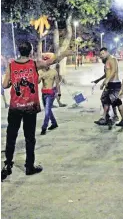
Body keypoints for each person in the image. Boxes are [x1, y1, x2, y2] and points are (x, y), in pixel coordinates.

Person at [1, 42, 72, 180]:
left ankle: (7, 165)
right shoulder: (35, 64)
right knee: (30, 138)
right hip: (30, 107)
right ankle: (29, 167)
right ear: (31, 51)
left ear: (19, 51)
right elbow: (52, 61)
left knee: (11, 137)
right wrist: (64, 54)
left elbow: (4, 85)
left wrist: (13, 81)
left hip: (15, 107)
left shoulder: (11, 65)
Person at [93, 47, 123, 128]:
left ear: (107, 52)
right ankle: (107, 118)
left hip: (115, 84)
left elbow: (114, 71)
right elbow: (106, 74)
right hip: (109, 84)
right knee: (107, 101)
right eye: (100, 54)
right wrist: (99, 81)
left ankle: (120, 119)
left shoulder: (113, 59)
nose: (102, 55)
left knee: (113, 102)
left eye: (103, 53)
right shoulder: (107, 62)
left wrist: (107, 80)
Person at [38, 58, 60, 135]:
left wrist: (59, 93)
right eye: (45, 64)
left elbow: (57, 83)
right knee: (48, 110)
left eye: (48, 64)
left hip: (51, 93)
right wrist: (40, 77)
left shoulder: (54, 72)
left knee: (47, 111)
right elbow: (38, 82)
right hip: (43, 93)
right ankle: (54, 123)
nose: (47, 65)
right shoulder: (40, 72)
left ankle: (44, 127)